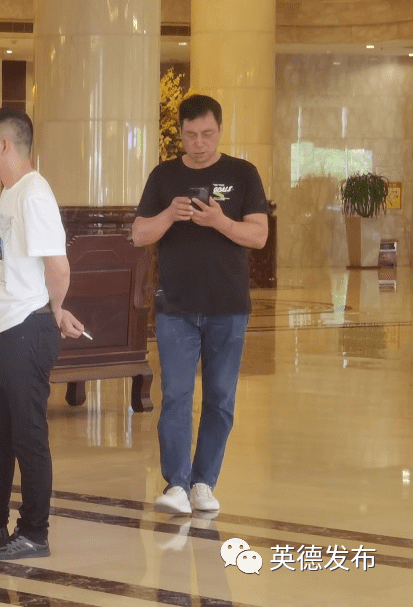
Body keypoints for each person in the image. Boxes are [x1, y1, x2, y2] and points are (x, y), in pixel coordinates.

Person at [0, 108, 85, 561]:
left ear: (4, 144)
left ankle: (34, 532)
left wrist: (54, 310)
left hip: (26, 329)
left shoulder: (33, 194)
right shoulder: (12, 192)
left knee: (28, 436)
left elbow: (59, 267)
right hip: (6, 328)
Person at [132, 94, 269, 515]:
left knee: (220, 399)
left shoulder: (243, 173)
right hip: (175, 308)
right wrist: (169, 215)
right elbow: (138, 234)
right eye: (191, 135)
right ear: (180, 133)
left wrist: (220, 222)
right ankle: (176, 483)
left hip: (228, 306)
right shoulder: (164, 176)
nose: (199, 144)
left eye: (207, 134)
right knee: (175, 395)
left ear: (220, 130)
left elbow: (259, 235)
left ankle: (204, 483)